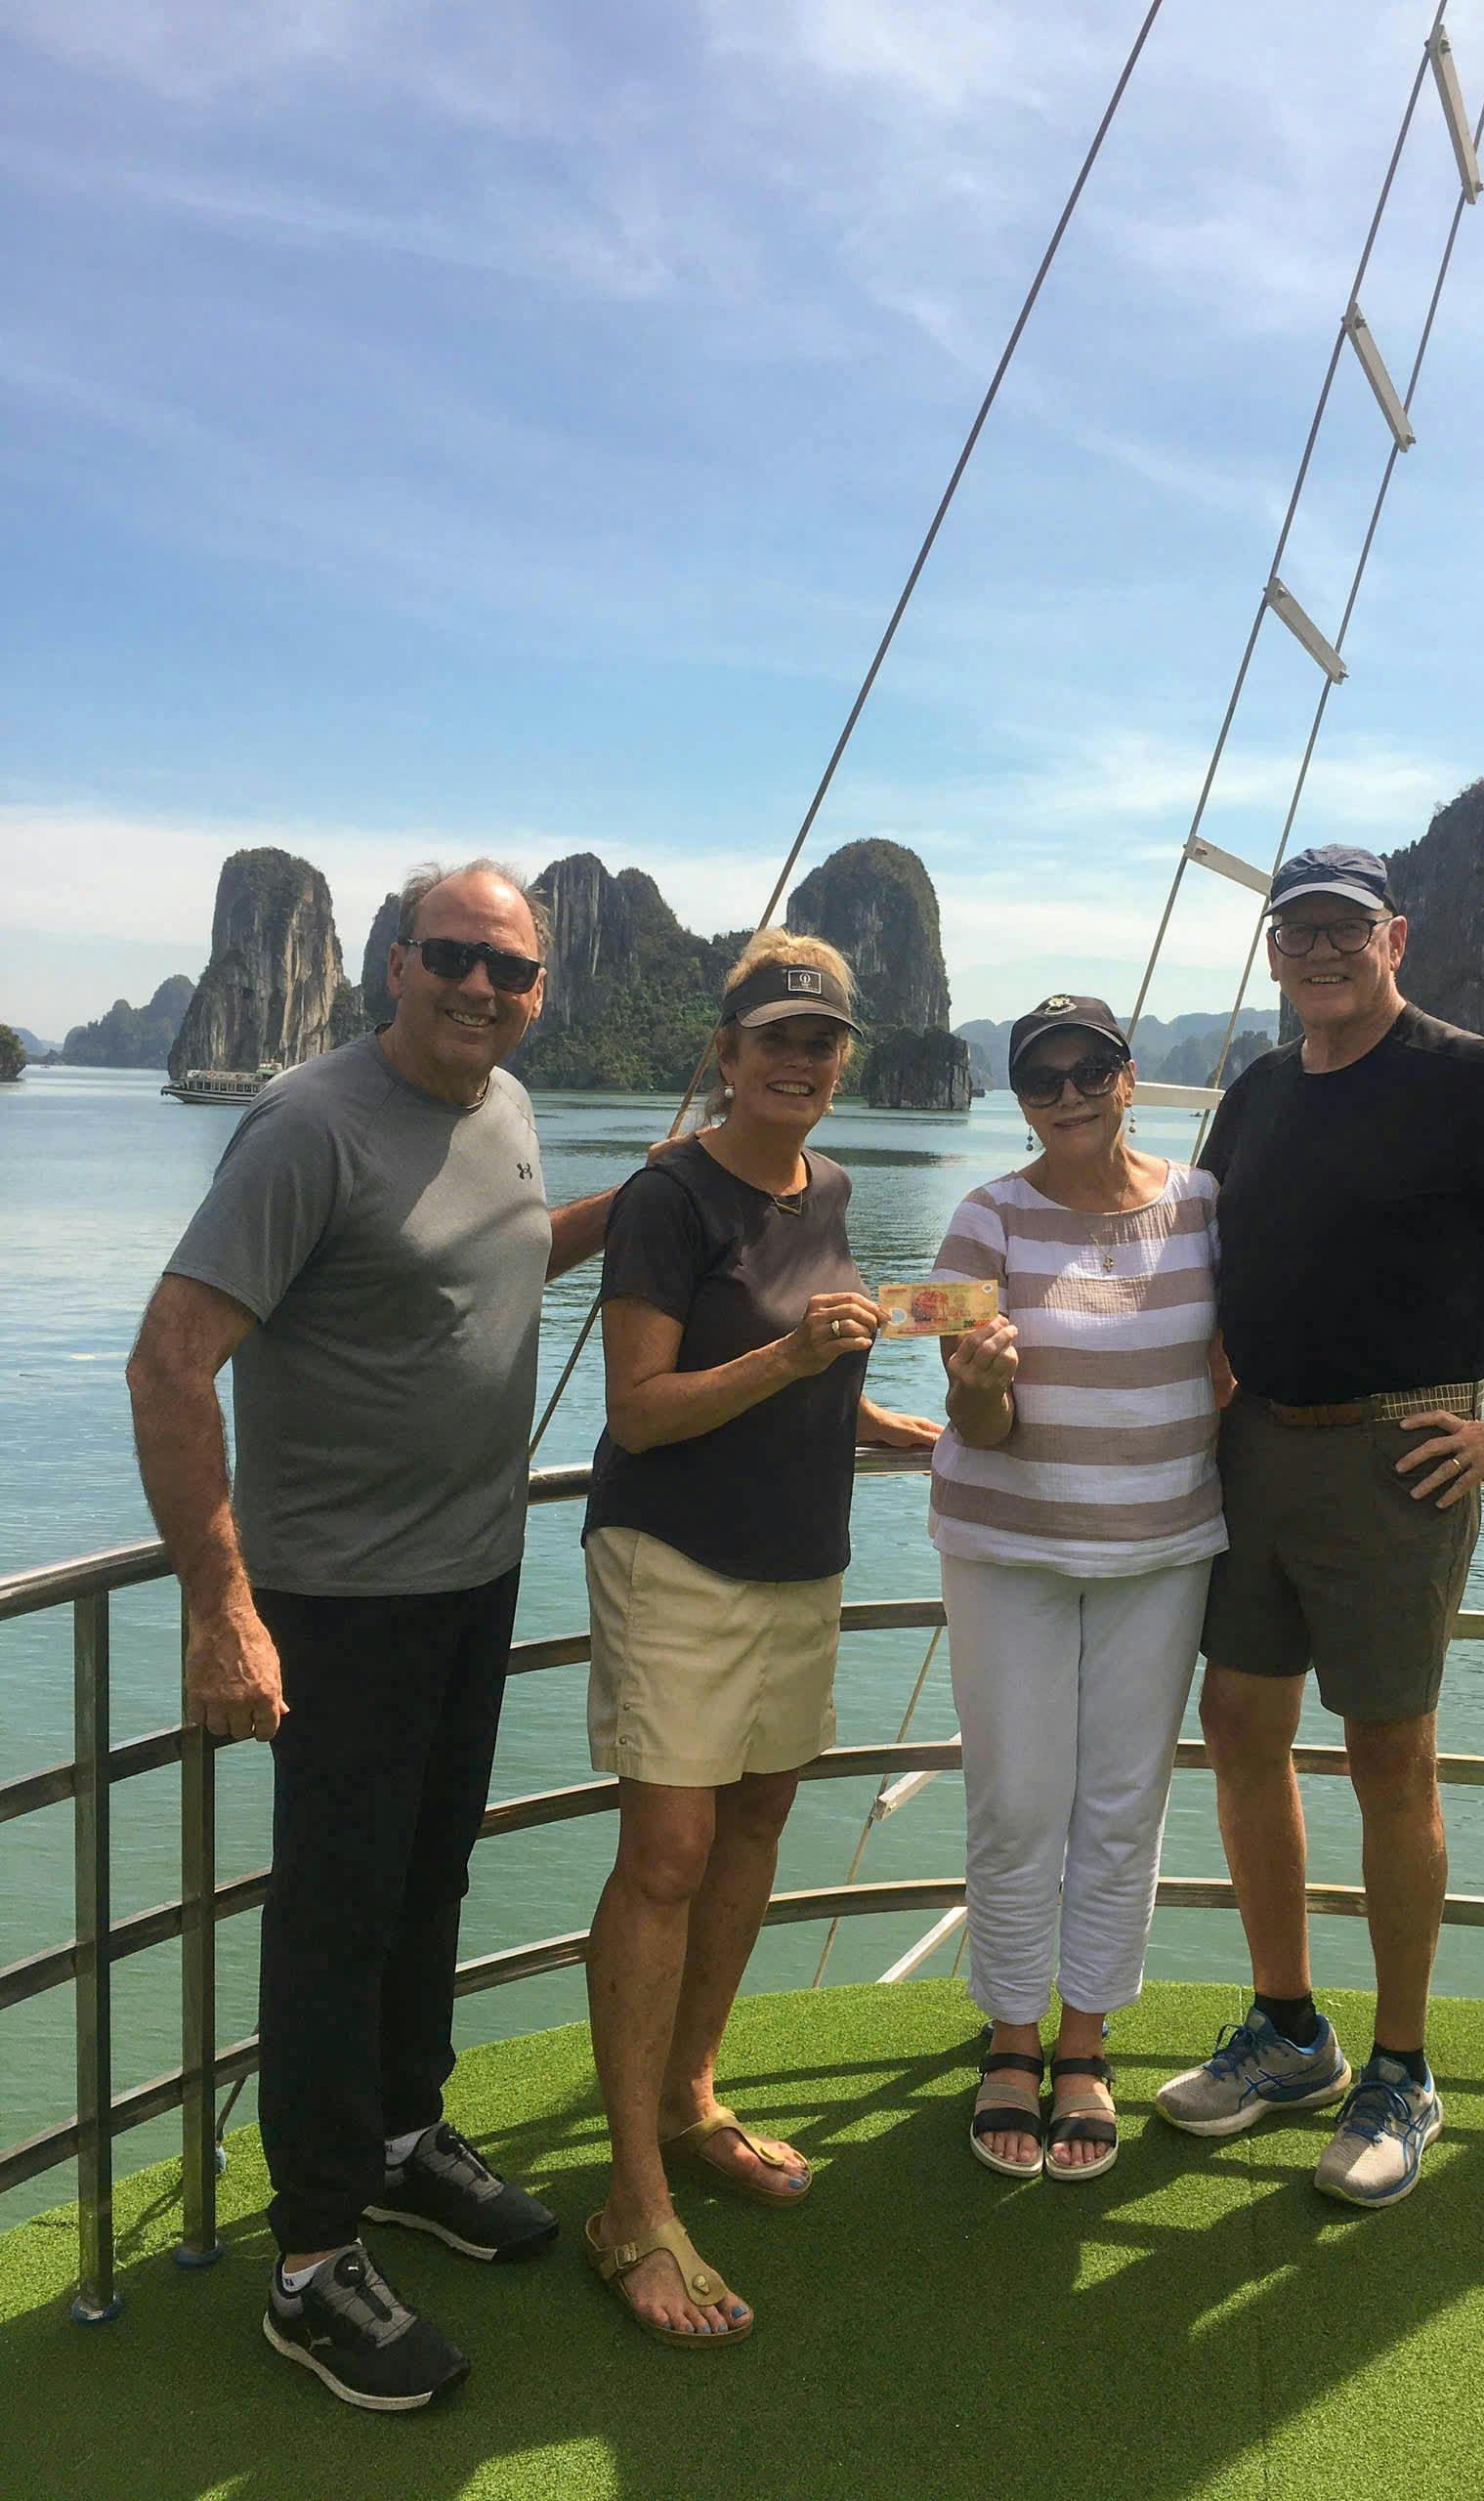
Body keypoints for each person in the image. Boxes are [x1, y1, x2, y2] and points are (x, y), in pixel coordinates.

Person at [126, 860, 616, 2412]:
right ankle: (310, 2259)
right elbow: (169, 1360)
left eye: (512, 970)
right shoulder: (307, 1125)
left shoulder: (509, 1110)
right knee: (336, 1922)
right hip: (332, 1604)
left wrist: (660, 1195)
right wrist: (223, 1608)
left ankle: (405, 2142)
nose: (483, 988)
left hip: (472, 1579)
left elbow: (499, 1262)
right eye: (454, 957)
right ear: (394, 964)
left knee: (431, 1881)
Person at [1155, 844, 1484, 2207]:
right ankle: (1289, 2030)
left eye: (1346, 928)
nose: (1320, 952)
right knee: (1239, 1733)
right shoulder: (1259, 1096)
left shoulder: (1470, 1083)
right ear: (1274, 950)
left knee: (1391, 1760)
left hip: (1400, 1459)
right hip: (1255, 1447)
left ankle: (1402, 2066)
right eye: (1299, 932)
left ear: (1393, 936)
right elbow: (1216, 1287)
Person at [579, 932, 938, 2348]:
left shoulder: (832, 1186)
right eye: (773, 1039)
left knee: (755, 1830)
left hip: (803, 1556)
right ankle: (631, 2201)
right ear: (724, 1056)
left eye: (823, 1040)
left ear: (845, 1059)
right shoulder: (668, 1197)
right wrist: (794, 1364)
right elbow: (640, 1408)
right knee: (666, 1854)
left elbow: (812, 1340)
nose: (799, 1060)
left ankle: (693, 2090)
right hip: (673, 1556)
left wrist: (858, 1409)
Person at [928, 996, 1228, 2183]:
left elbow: (1248, 1355)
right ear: (1019, 1097)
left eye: (1086, 1069)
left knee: (1123, 1800)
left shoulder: (1204, 1207)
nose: (1064, 1094)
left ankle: (1089, 2043)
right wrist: (976, 1381)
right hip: (1008, 1548)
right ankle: (1011, 2035)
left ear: (1127, 1076)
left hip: (1163, 1547)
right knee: (1017, 1796)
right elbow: (976, 1423)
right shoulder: (984, 1216)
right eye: (1038, 1078)